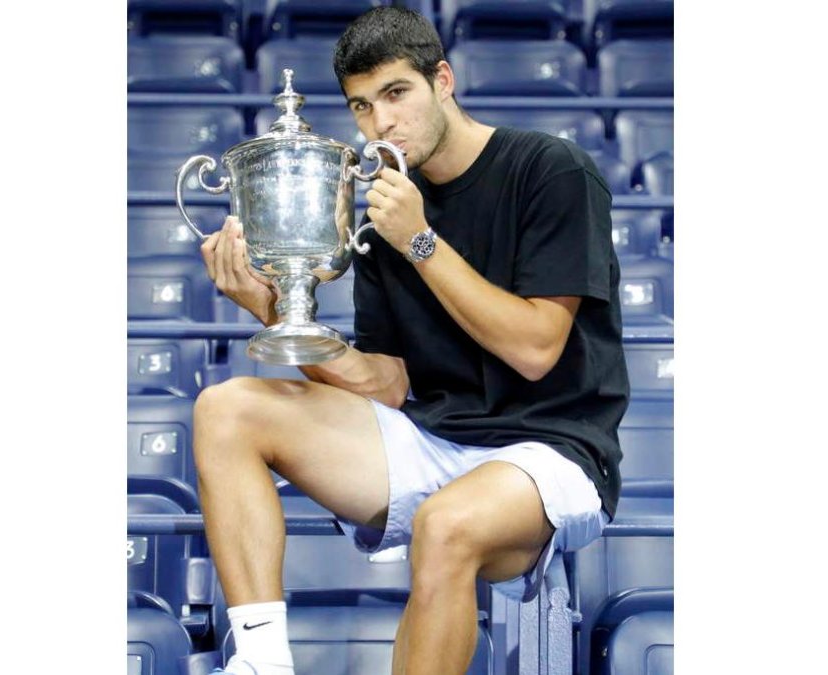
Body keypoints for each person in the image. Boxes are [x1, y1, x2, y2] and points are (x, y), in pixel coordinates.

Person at [194, 7, 628, 674]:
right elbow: (387, 381)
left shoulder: (550, 169)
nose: (381, 123)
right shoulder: (388, 206)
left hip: (553, 449)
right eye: (361, 107)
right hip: (434, 437)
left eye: (397, 94)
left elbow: (537, 347)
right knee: (226, 408)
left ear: (443, 80)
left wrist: (421, 242)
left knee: (446, 523)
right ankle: (258, 661)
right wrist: (278, 315)